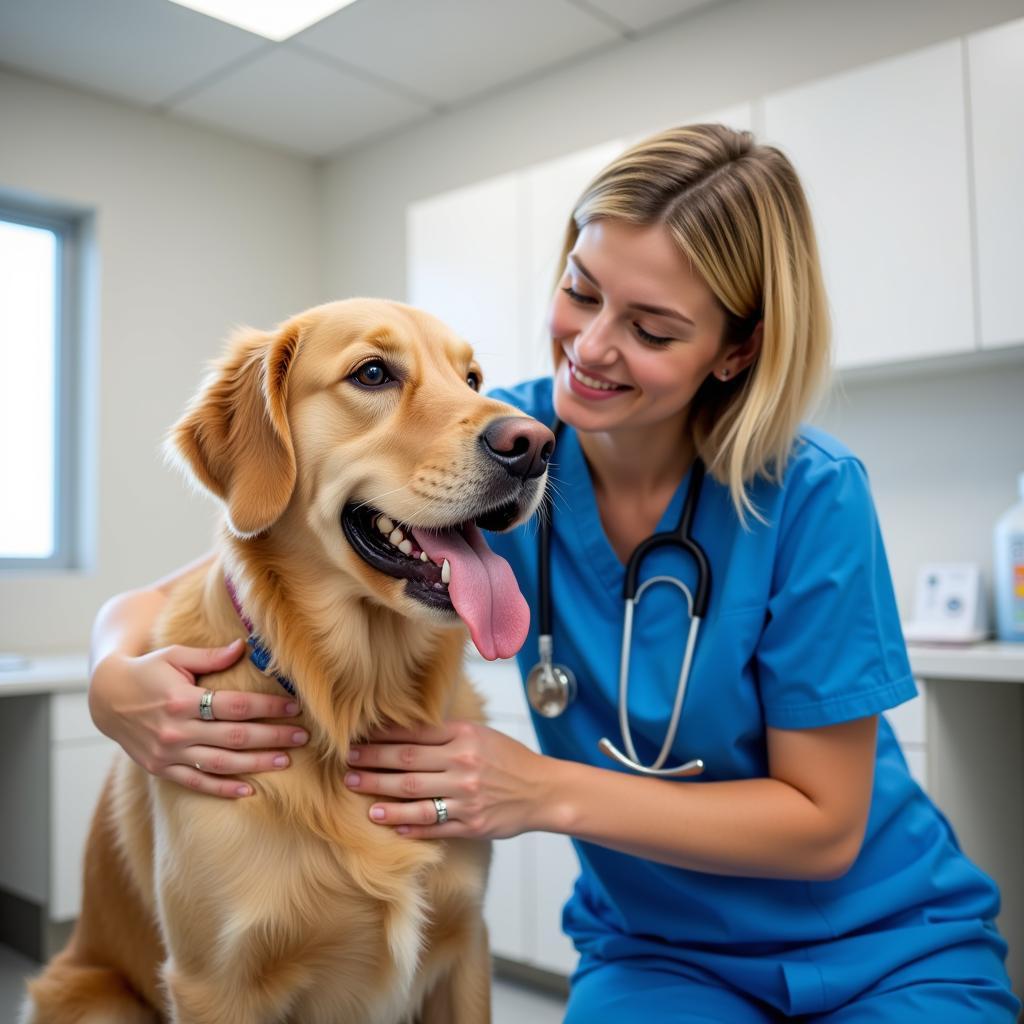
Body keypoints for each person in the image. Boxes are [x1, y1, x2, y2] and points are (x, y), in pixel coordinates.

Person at [88, 125, 1019, 1021]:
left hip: (885, 945)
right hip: (662, 954)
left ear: (736, 351)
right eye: (582, 290)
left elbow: (824, 825)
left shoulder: (812, 496)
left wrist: (540, 791)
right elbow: (244, 547)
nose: (593, 345)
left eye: (651, 327)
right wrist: (110, 681)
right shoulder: (506, 450)